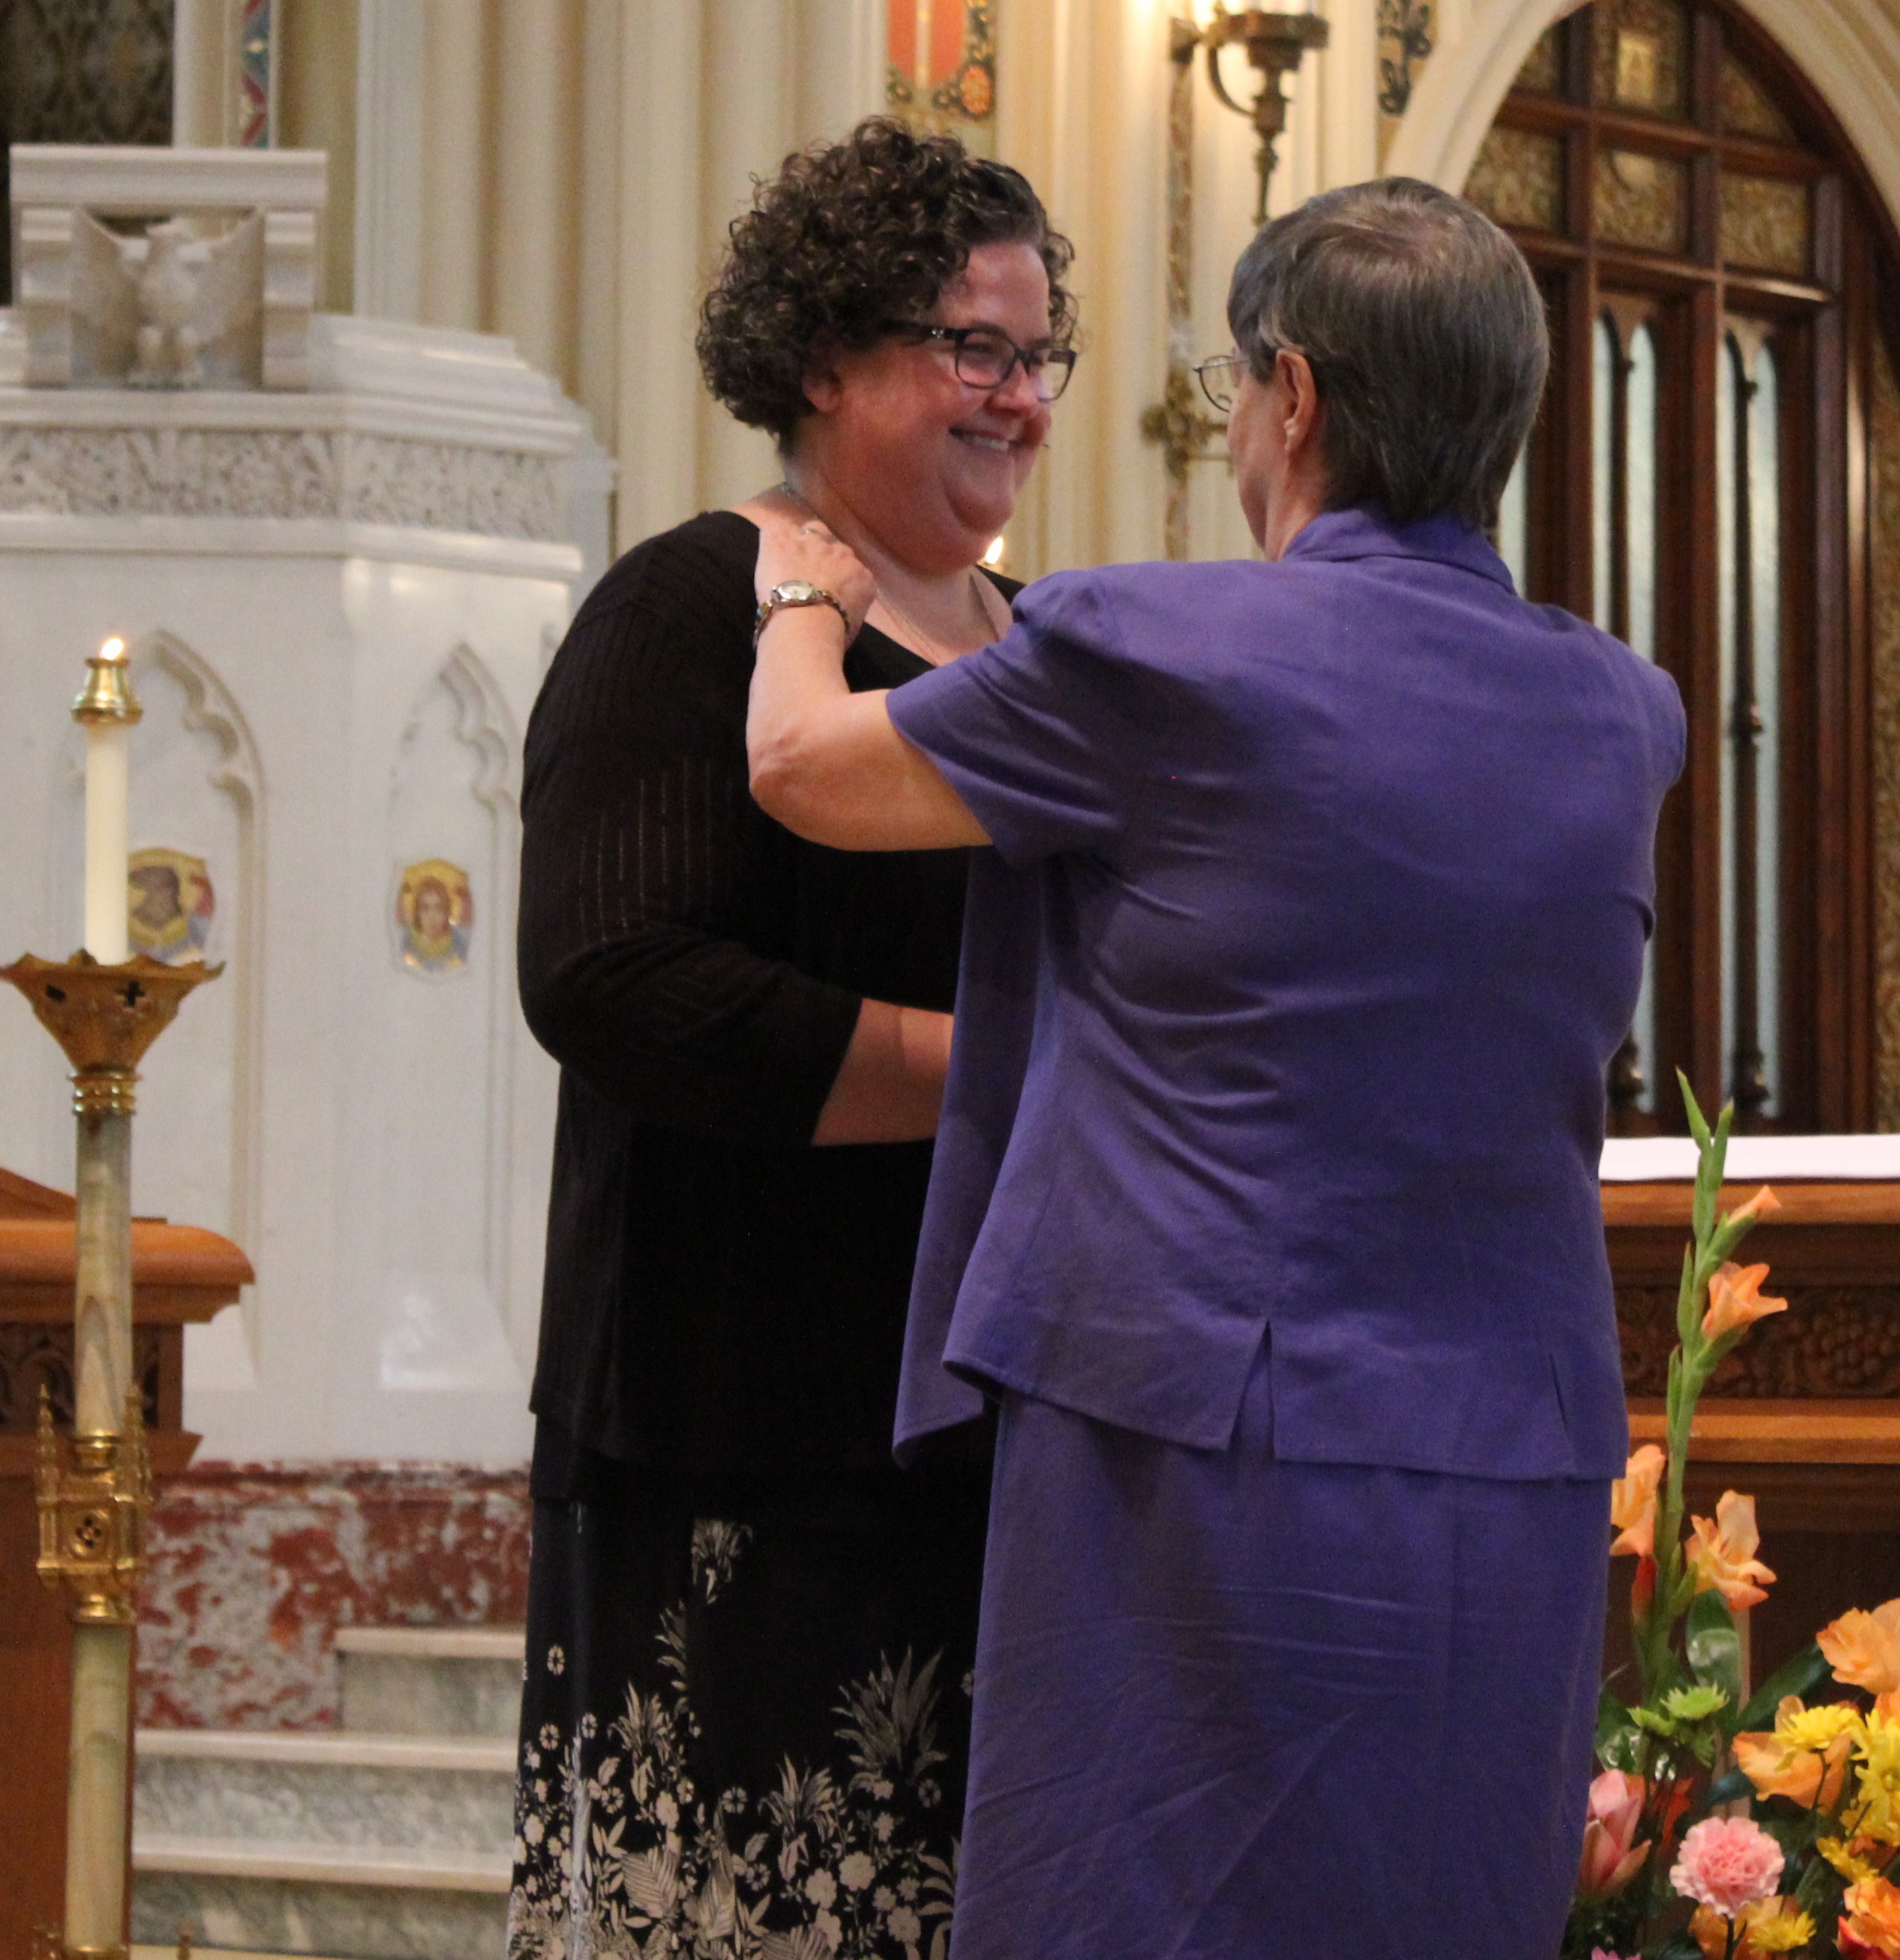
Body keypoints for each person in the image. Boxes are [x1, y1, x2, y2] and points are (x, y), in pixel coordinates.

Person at [743, 178, 1685, 1958]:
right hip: (1514, 1456)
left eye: (1249, 382)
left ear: (1298, 398)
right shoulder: (1623, 710)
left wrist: (803, 575)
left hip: (1195, 1449)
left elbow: (801, 765)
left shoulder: (1156, 649)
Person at [508, 119, 1073, 1958]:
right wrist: (985, 1079)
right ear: (823, 355)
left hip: (1000, 1429)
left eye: (1037, 352)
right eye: (968, 345)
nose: (1015, 394)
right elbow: (612, 976)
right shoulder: (687, 605)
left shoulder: (1047, 647)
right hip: (736, 1429)